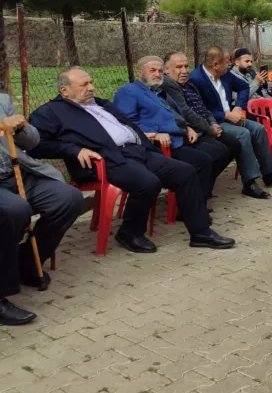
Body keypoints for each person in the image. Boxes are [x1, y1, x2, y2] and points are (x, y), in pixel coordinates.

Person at [28, 68, 234, 254]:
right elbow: (37, 144)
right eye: (84, 85)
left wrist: (145, 143)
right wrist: (73, 149)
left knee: (185, 171)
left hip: (138, 152)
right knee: (147, 183)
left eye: (91, 82)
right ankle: (130, 232)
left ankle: (200, 232)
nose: (91, 88)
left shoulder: (100, 103)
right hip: (104, 160)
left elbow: (130, 126)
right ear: (64, 91)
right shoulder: (50, 112)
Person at [0, 91, 84, 313]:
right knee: (15, 210)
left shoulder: (2, 101)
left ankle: (26, 262)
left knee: (68, 199)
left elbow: (32, 142)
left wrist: (21, 127)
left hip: (17, 174)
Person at [113, 56, 232, 202]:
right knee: (202, 160)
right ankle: (192, 203)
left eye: (160, 71)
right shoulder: (128, 91)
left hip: (179, 136)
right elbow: (126, 122)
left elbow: (174, 115)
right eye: (152, 70)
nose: (157, 74)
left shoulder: (157, 91)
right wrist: (155, 134)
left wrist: (187, 127)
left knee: (220, 150)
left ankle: (196, 195)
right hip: (160, 144)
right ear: (140, 73)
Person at [189, 47, 272, 199]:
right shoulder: (196, 79)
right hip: (213, 121)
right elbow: (199, 108)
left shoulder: (225, 74)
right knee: (243, 134)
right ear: (215, 65)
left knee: (258, 129)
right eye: (227, 61)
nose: (230, 64)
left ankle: (269, 173)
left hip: (233, 115)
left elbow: (243, 87)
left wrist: (238, 107)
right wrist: (225, 115)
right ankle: (249, 183)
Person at [162, 52, 242, 192]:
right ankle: (197, 189)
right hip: (192, 131)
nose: (184, 71)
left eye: (186, 66)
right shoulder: (169, 85)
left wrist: (213, 123)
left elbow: (203, 108)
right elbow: (186, 112)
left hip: (204, 127)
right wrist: (209, 129)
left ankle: (203, 186)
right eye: (179, 67)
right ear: (167, 70)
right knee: (218, 150)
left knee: (233, 144)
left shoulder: (190, 84)